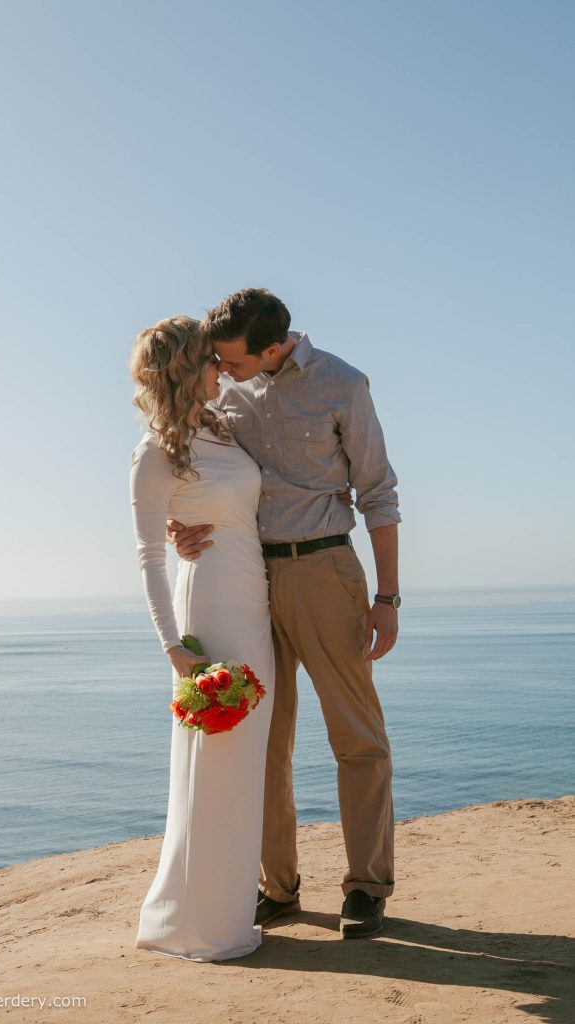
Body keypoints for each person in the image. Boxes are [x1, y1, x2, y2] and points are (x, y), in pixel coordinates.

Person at [169, 288, 400, 939]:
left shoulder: (342, 384)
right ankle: (279, 886)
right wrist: (176, 527)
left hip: (325, 571)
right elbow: (196, 473)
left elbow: (378, 492)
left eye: (234, 360)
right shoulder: (228, 394)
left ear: (274, 347)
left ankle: (365, 885)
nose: (222, 369)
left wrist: (386, 598)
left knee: (355, 735)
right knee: (264, 739)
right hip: (246, 577)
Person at [128, 315, 275, 962]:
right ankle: (203, 926)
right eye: (211, 362)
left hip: (254, 604)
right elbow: (145, 555)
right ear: (188, 370)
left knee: (243, 764)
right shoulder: (155, 450)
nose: (222, 369)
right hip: (208, 608)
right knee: (215, 760)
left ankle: (225, 912)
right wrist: (173, 648)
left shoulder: (220, 427)